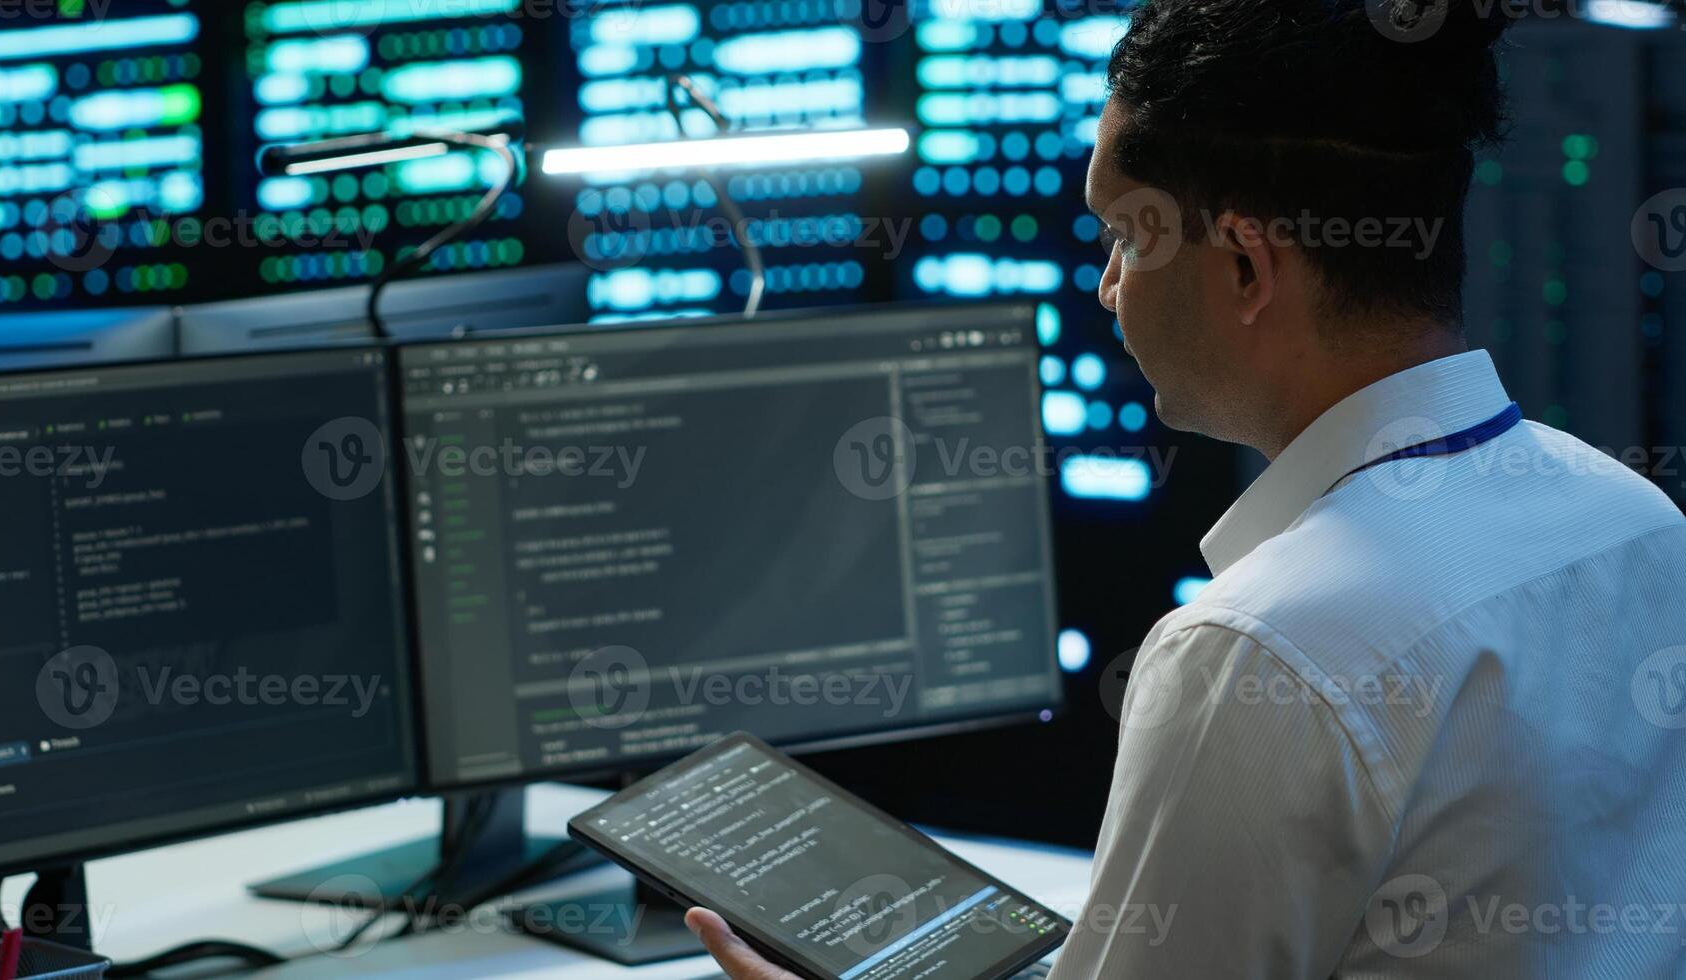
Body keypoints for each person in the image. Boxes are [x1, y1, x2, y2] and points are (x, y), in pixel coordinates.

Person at [685, 0, 1686, 975]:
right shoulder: (1638, 523)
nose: (1107, 286)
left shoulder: (1260, 650)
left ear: (1247, 265)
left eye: (1125, 236)